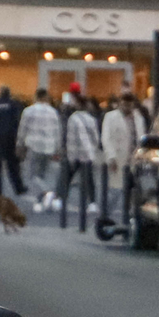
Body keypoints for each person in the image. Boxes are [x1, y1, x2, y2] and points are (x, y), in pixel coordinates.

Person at [62, 92, 103, 229]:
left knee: (67, 177)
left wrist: (70, 154)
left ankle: (62, 200)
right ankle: (92, 202)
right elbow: (95, 137)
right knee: (89, 179)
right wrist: (93, 149)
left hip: (76, 152)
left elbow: (70, 137)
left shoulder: (73, 118)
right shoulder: (91, 119)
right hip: (88, 153)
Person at [19, 87, 65, 212]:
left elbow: (23, 129)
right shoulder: (53, 112)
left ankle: (47, 193)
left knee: (33, 175)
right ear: (46, 97)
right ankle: (40, 201)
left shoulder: (28, 111)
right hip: (49, 147)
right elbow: (58, 131)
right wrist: (58, 148)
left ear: (36, 97)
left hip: (34, 146)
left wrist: (20, 145)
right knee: (43, 175)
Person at [100, 92, 141, 231]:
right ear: (120, 103)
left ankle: (129, 220)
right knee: (115, 190)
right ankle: (105, 217)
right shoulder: (110, 117)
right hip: (118, 159)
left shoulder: (138, 117)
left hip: (135, 160)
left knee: (133, 191)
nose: (126, 107)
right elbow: (106, 138)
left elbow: (141, 137)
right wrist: (111, 157)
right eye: (124, 104)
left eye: (129, 104)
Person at [0, 86, 26, 198]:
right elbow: (17, 121)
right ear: (9, 94)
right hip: (9, 139)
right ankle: (18, 187)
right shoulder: (13, 105)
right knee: (12, 166)